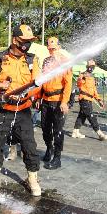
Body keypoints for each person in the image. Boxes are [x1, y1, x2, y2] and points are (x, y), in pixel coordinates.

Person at [0, 25, 43, 196]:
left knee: (29, 146)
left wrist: (24, 93)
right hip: (2, 110)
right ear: (15, 40)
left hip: (23, 110)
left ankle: (32, 179)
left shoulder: (32, 60)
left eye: (30, 42)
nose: (27, 45)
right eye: (25, 41)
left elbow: (38, 84)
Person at [39, 37, 73, 170]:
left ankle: (57, 158)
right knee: (45, 128)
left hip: (58, 101)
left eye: (53, 48)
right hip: (46, 101)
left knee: (58, 130)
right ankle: (49, 148)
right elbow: (42, 80)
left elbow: (68, 83)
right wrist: (39, 97)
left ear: (59, 47)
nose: (51, 50)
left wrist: (64, 102)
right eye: (49, 48)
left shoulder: (65, 62)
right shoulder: (46, 61)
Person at [72, 60, 107, 140]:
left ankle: (75, 131)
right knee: (91, 116)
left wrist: (99, 100)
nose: (91, 68)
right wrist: (81, 78)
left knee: (82, 116)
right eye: (90, 67)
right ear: (87, 67)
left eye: (93, 67)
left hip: (89, 99)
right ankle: (99, 133)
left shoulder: (92, 77)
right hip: (84, 99)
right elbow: (79, 84)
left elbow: (94, 90)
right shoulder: (83, 75)